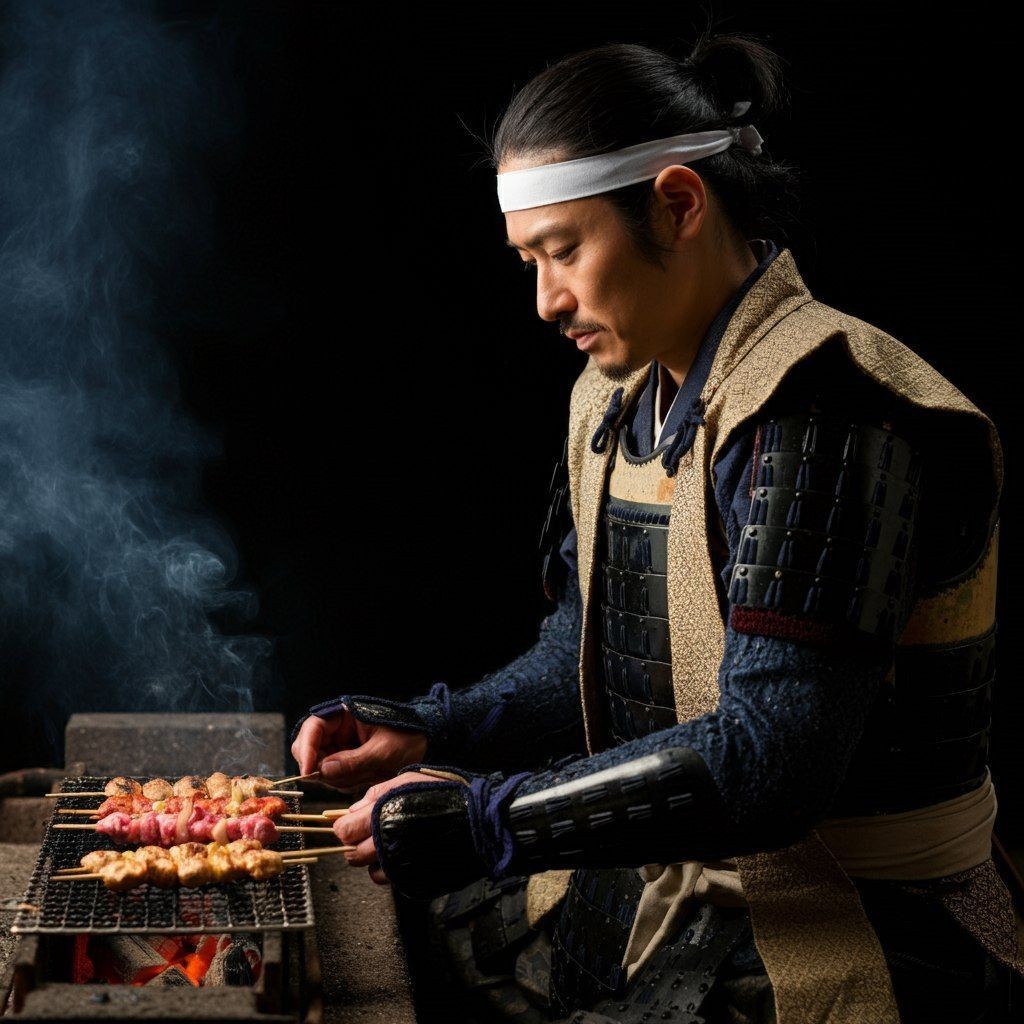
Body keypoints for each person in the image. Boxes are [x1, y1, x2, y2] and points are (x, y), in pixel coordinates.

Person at [291, 31, 1023, 1024]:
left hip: (851, 921)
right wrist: (437, 726)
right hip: (662, 884)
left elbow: (770, 761)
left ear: (677, 203)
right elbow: (588, 655)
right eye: (528, 260)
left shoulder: (831, 413)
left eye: (562, 252)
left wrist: (485, 817)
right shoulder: (614, 395)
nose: (546, 300)